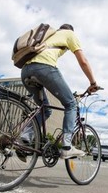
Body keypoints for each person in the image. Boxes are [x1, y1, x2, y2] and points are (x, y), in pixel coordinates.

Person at [20, 23, 99, 160]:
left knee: (45, 110)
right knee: (71, 104)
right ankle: (67, 147)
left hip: (25, 70)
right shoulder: (70, 34)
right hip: (43, 68)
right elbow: (83, 61)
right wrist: (93, 83)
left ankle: (24, 138)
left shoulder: (50, 35)